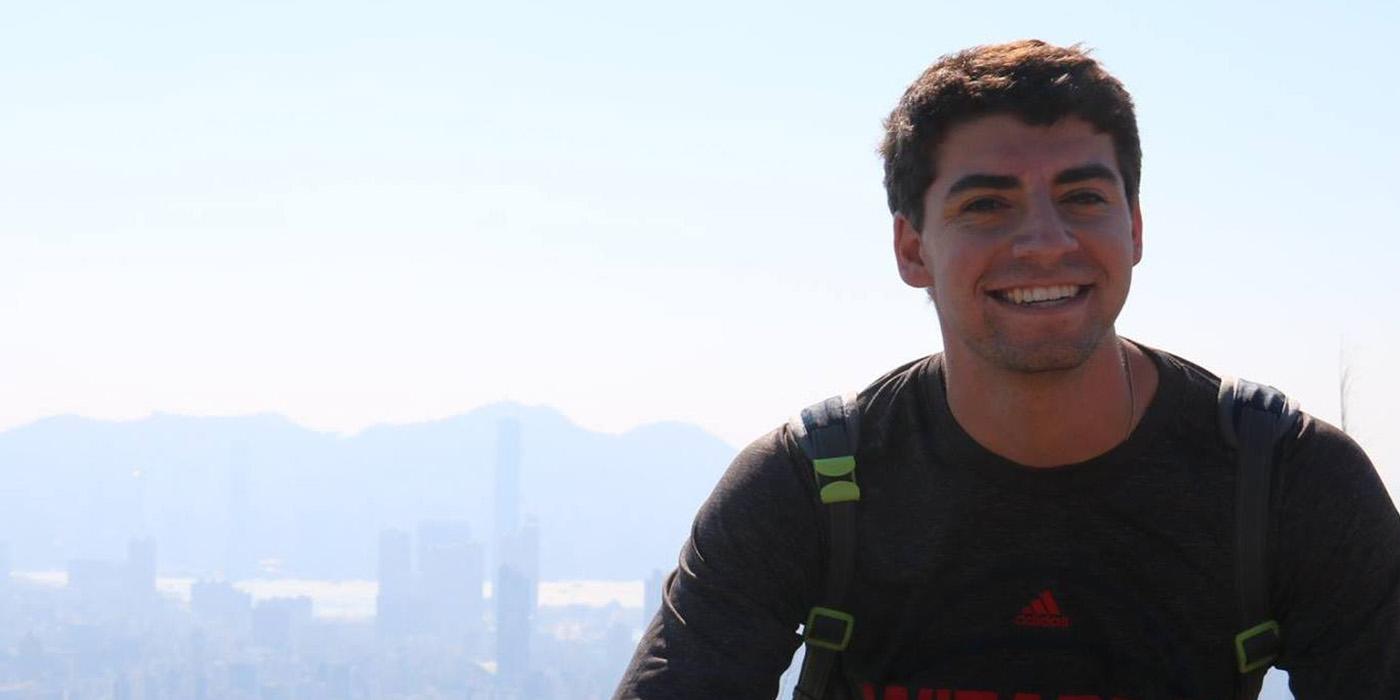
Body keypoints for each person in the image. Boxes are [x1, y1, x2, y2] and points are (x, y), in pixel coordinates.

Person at [611, 40, 1400, 699]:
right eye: (987, 205)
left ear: (1135, 228)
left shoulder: (1288, 483)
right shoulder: (811, 488)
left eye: (1083, 197)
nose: (1046, 241)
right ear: (912, 249)